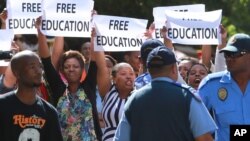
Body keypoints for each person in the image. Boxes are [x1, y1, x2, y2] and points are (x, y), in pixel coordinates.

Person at [114, 46, 217, 141]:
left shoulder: (134, 99)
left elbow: (121, 138)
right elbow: (204, 138)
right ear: (173, 68)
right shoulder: (187, 96)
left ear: (149, 70)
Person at [0, 50, 63, 141]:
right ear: (17, 72)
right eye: (32, 67)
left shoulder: (50, 112)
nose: (39, 71)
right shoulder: (2, 105)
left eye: (40, 66)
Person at [198, 33, 250, 141]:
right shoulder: (210, 85)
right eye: (227, 54)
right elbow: (195, 123)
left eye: (234, 54)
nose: (229, 58)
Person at [101, 62, 136, 141]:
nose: (128, 77)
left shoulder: (138, 96)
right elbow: (101, 65)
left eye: (131, 74)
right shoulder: (109, 94)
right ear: (114, 79)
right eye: (123, 74)